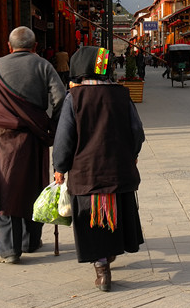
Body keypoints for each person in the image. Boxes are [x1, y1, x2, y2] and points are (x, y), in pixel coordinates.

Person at [52, 46, 145, 292]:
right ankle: (110, 253)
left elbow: (64, 138)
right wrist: (132, 154)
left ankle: (102, 269)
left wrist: (60, 167)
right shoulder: (121, 95)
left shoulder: (75, 98)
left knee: (92, 222)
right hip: (118, 170)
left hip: (86, 174)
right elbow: (137, 132)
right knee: (115, 216)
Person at [0, 26, 66, 264]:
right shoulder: (42, 65)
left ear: (9, 46)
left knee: (3, 188)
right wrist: (53, 126)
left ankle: (9, 250)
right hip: (32, 136)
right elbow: (61, 98)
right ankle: (30, 242)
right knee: (31, 187)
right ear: (35, 46)